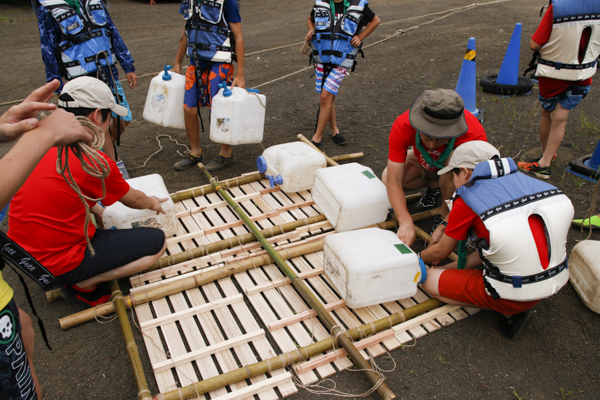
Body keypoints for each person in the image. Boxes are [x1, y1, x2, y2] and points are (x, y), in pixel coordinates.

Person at [8, 77, 167, 308]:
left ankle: (72, 273)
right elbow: (134, 199)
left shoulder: (36, 140)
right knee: (157, 242)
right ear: (96, 116)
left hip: (23, 254)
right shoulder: (92, 161)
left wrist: (97, 208)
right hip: (56, 263)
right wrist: (152, 202)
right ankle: (84, 283)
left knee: (98, 216)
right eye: (109, 115)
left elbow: (63, 185)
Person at [420, 141, 574, 340]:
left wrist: (419, 258)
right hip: (550, 281)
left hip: (512, 293)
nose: (453, 179)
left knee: (428, 281)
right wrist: (445, 228)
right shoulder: (529, 184)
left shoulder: (468, 197)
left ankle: (507, 310)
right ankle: (512, 303)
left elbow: (440, 251)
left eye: (453, 174)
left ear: (465, 172)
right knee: (493, 249)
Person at [0, 79, 92, 400]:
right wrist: (43, 135)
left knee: (23, 328)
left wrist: (2, 131)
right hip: (56, 264)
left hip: (24, 267)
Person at [31, 0, 138, 164]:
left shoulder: (95, 2)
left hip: (108, 73)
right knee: (99, 121)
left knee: (124, 117)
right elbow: (48, 47)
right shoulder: (48, 9)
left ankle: (97, 151)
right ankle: (112, 162)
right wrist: (55, 83)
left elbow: (112, 31)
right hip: (81, 80)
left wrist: (128, 65)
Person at [382, 89, 487, 246]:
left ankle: (444, 210)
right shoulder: (404, 124)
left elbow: (475, 188)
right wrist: (405, 221)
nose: (431, 144)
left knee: (455, 160)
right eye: (426, 136)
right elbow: (393, 180)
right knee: (386, 176)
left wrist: (447, 223)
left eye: (440, 139)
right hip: (425, 162)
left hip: (454, 171)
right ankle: (437, 187)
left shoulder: (473, 136)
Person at [517, 0, 600, 180]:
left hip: (554, 75)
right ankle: (548, 156)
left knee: (548, 113)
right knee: (561, 116)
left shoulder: (559, 7)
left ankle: (545, 161)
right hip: (584, 74)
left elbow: (534, 44)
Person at [172, 0, 245, 172]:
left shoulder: (228, 2)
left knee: (220, 109)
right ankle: (195, 152)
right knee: (189, 108)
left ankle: (225, 153)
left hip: (220, 60)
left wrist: (240, 74)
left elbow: (238, 36)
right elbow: (187, 29)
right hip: (196, 60)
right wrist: (177, 61)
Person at [306, 0, 380, 148]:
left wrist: (360, 37)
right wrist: (311, 30)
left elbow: (375, 20)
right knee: (329, 96)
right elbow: (310, 19)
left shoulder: (357, 4)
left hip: (343, 58)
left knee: (325, 96)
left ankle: (316, 138)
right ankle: (334, 131)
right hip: (322, 57)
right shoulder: (322, 2)